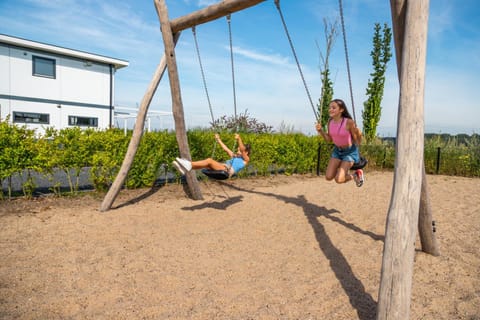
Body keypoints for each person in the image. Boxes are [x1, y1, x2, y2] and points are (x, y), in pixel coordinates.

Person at [315, 98, 365, 187]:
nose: (330, 109)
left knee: (339, 179)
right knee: (328, 177)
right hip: (337, 151)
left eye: (333, 108)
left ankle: (355, 175)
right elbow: (329, 140)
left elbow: (357, 142)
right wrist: (321, 131)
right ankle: (342, 169)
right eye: (329, 107)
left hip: (350, 152)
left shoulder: (349, 122)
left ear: (341, 110)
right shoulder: (330, 122)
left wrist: (359, 133)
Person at [173, 133, 251, 178]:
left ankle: (189, 164)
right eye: (237, 150)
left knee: (209, 160)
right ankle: (185, 168)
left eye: (239, 150)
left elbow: (242, 149)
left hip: (227, 171)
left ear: (246, 152)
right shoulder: (234, 156)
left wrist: (239, 139)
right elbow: (226, 149)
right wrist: (218, 140)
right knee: (207, 165)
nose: (238, 151)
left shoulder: (246, 160)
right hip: (223, 167)